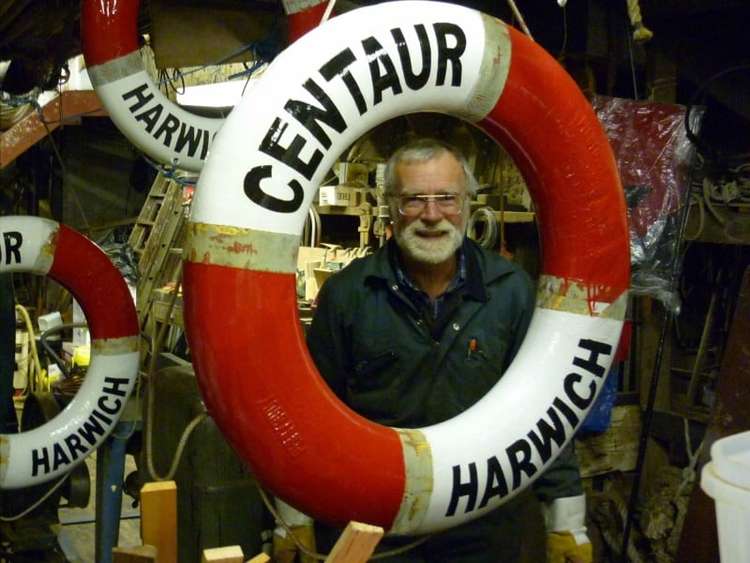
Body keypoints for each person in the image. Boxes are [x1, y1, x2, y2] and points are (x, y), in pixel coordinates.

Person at [286, 138, 592, 562]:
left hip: (482, 528)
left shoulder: (512, 292)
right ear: (390, 205)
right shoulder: (347, 296)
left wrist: (567, 521)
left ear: (467, 203)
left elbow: (545, 413)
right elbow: (309, 418)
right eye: (414, 200)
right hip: (377, 526)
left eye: (446, 198)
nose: (432, 215)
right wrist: (294, 515)